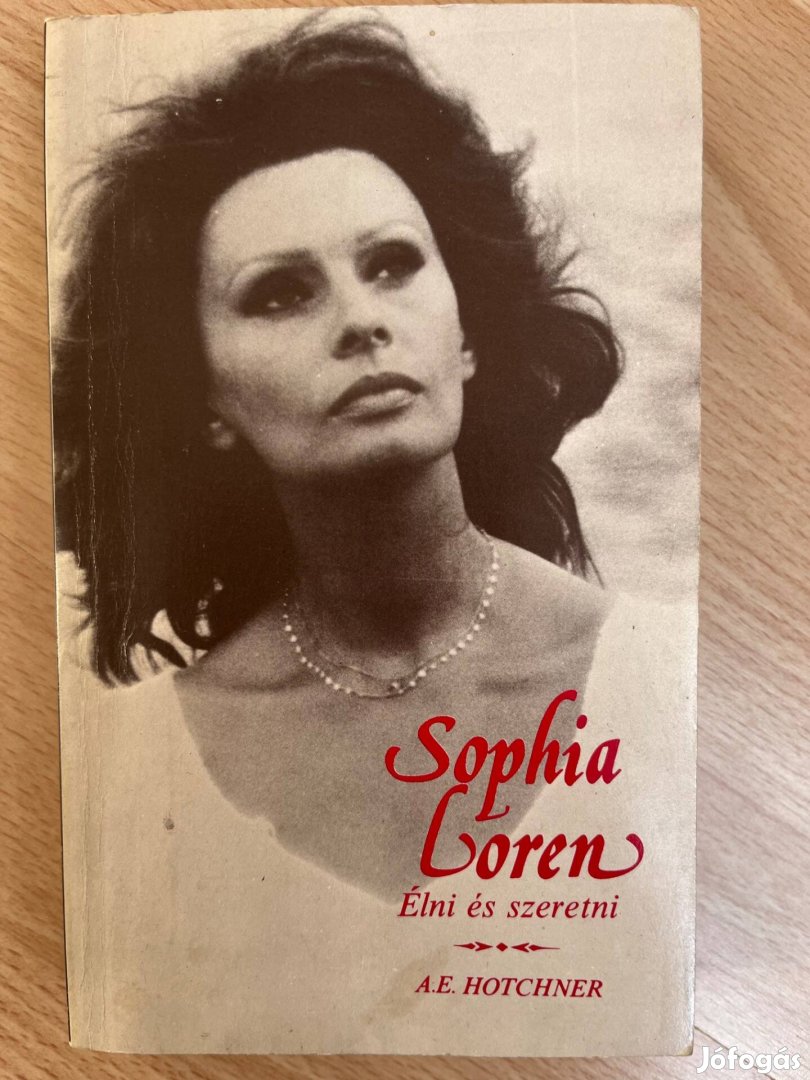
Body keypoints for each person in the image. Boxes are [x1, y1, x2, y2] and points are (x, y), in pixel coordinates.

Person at [54, 14, 695, 1054]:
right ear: (204, 401)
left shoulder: (663, 682)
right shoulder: (138, 771)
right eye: (280, 294)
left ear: (467, 331)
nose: (361, 320)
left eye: (393, 264)